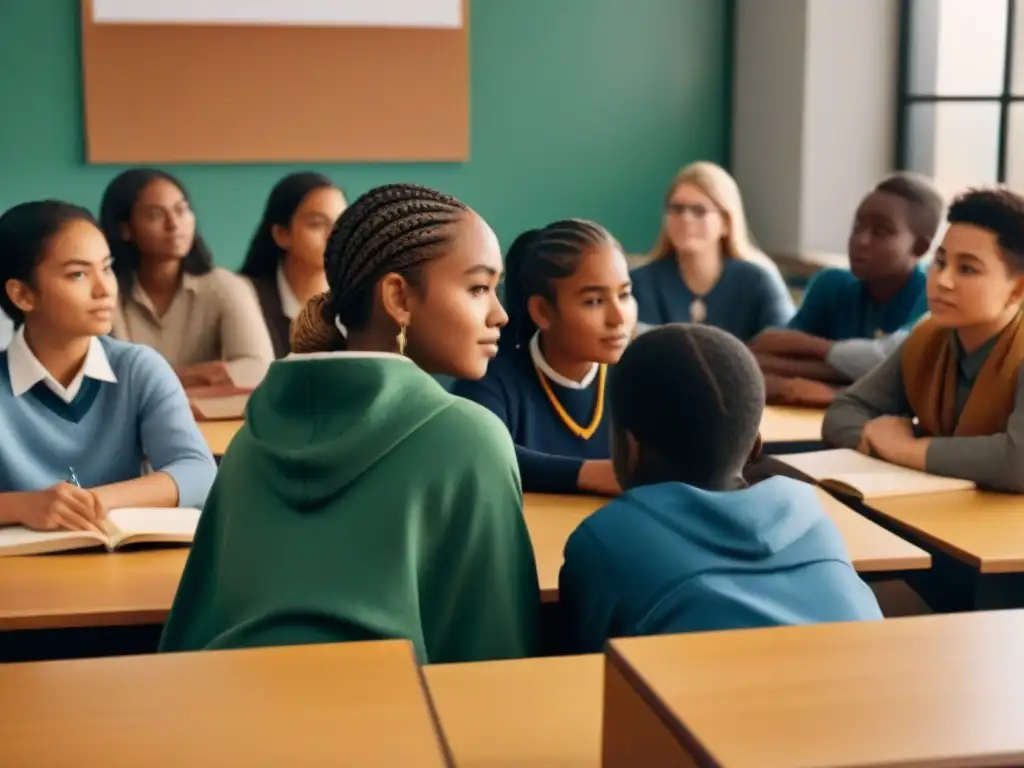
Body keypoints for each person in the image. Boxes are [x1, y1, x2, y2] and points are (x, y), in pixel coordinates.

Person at [159, 183, 540, 663]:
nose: (499, 314)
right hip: (383, 720)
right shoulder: (470, 438)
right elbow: (493, 650)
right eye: (479, 288)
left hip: (225, 713)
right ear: (398, 298)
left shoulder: (251, 438)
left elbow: (195, 625)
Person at [558, 324, 882, 652]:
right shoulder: (813, 515)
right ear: (756, 443)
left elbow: (581, 665)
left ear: (630, 448)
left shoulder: (608, 539)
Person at [0, 201, 216, 531]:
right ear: (23, 295)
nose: (104, 290)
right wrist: (22, 505)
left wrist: (89, 502)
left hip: (119, 561)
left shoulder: (139, 368)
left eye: (107, 267)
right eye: (78, 274)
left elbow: (198, 472)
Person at [823, 187, 1024, 494]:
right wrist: (885, 440)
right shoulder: (928, 337)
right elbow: (842, 413)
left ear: (1017, 290)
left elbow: (1016, 463)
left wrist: (904, 449)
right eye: (940, 263)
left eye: (967, 269)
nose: (942, 281)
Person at [452, 220, 636, 496]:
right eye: (594, 301)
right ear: (543, 312)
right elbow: (484, 453)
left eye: (624, 295)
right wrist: (593, 473)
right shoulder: (489, 377)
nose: (619, 317)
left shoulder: (642, 373)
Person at [752, 173, 943, 407]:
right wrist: (790, 386)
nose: (860, 240)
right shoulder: (830, 283)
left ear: (920, 247)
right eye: (857, 226)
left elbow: (895, 368)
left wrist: (831, 383)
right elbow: (765, 349)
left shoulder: (933, 294)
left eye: (880, 231)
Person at [101, 168, 274, 388]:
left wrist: (158, 379)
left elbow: (258, 369)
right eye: (155, 215)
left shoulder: (223, 285)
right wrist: (209, 374)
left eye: (181, 210)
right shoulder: (105, 290)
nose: (173, 225)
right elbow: (110, 379)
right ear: (125, 229)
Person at [630, 161, 794, 341]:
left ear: (725, 222)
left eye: (699, 210)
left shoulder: (760, 281)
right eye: (676, 208)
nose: (685, 218)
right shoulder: (640, 283)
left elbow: (785, 348)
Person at [239, 172, 347, 358]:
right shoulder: (244, 298)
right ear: (282, 234)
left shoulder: (362, 298)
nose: (334, 235)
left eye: (343, 223)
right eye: (317, 224)